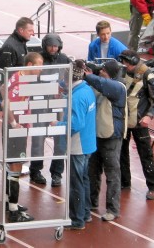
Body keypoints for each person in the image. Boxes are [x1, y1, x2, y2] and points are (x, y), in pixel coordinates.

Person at [51, 59, 96, 230]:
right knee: (84, 180)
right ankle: (85, 213)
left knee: (76, 183)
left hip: (78, 146)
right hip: (88, 143)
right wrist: (63, 96)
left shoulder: (76, 97)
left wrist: (58, 125)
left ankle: (77, 220)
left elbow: (76, 124)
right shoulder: (86, 90)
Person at [2, 52, 43, 223]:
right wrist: (14, 123)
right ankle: (13, 209)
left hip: (16, 126)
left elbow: (2, 89)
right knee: (15, 166)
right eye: (39, 66)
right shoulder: (22, 81)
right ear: (30, 65)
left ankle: (8, 202)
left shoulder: (17, 75)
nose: (41, 69)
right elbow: (6, 102)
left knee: (11, 163)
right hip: (16, 128)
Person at [118, 49, 154, 200]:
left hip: (139, 123)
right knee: (122, 153)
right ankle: (124, 181)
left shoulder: (147, 74)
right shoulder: (123, 71)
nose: (125, 65)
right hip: (125, 121)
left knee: (146, 155)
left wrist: (149, 116)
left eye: (126, 62)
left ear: (133, 61)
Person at [84, 60, 126, 221]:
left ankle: (113, 209)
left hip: (111, 137)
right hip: (96, 135)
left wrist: (88, 76)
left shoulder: (118, 87)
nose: (100, 71)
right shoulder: (102, 85)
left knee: (112, 174)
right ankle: (92, 202)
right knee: (92, 172)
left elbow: (101, 83)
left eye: (103, 70)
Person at [29, 33, 70, 186]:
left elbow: (69, 78)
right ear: (44, 46)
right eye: (51, 46)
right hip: (40, 105)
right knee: (38, 139)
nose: (53, 49)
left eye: (56, 46)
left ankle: (57, 173)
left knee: (60, 140)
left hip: (58, 105)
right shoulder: (37, 59)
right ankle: (35, 170)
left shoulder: (64, 59)